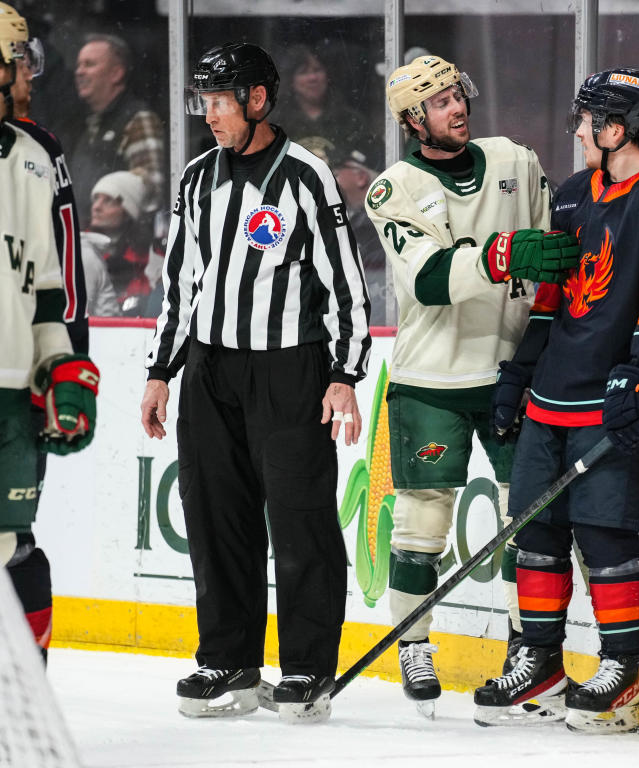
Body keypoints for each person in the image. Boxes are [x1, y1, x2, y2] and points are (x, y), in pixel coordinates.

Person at [472, 68, 639, 733]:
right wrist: (519, 373)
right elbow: (551, 302)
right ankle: (541, 662)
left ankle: (620, 675)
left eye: (587, 121)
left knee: (605, 535)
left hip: (612, 401)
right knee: (535, 531)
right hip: (552, 396)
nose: (577, 130)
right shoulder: (574, 193)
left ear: (618, 129)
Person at [139, 42, 370, 724]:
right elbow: (179, 285)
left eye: (219, 100)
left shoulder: (305, 176)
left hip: (288, 371)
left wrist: (343, 374)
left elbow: (345, 287)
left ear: (258, 100)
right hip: (210, 370)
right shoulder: (195, 179)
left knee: (300, 522)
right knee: (215, 516)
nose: (208, 114)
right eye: (203, 100)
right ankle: (229, 661)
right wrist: (160, 372)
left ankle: (305, 669)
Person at [364, 54, 579, 713]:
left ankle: (528, 646)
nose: (456, 107)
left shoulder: (515, 160)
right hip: (432, 378)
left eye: (457, 94)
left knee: (529, 519)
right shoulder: (391, 189)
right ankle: (414, 641)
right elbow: (427, 280)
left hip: (512, 373)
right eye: (438, 102)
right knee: (424, 518)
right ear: (411, 119)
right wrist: (504, 253)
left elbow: (555, 256)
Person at [0, 1, 99, 663]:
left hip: (7, 387)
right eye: (18, 62)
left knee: (12, 544)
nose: (27, 75)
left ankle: (19, 699)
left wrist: (63, 366)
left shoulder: (33, 160)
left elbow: (48, 291)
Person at [70, 33, 164, 222]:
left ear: (116, 73)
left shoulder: (137, 120)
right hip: (86, 241)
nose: (79, 72)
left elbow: (150, 187)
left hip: (119, 247)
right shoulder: (85, 123)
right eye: (79, 65)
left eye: (89, 64)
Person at [273, 45, 370, 152]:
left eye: (317, 70)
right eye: (303, 72)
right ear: (291, 81)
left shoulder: (350, 121)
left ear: (328, 75)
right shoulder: (277, 124)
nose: (312, 78)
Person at [330, 146, 387, 325]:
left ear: (361, 177)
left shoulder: (376, 225)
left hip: (371, 324)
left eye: (339, 171)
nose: (334, 177)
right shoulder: (355, 221)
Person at [85, 170, 154, 315]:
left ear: (128, 211)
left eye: (108, 201)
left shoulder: (147, 260)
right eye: (96, 199)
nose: (96, 207)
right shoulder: (80, 248)